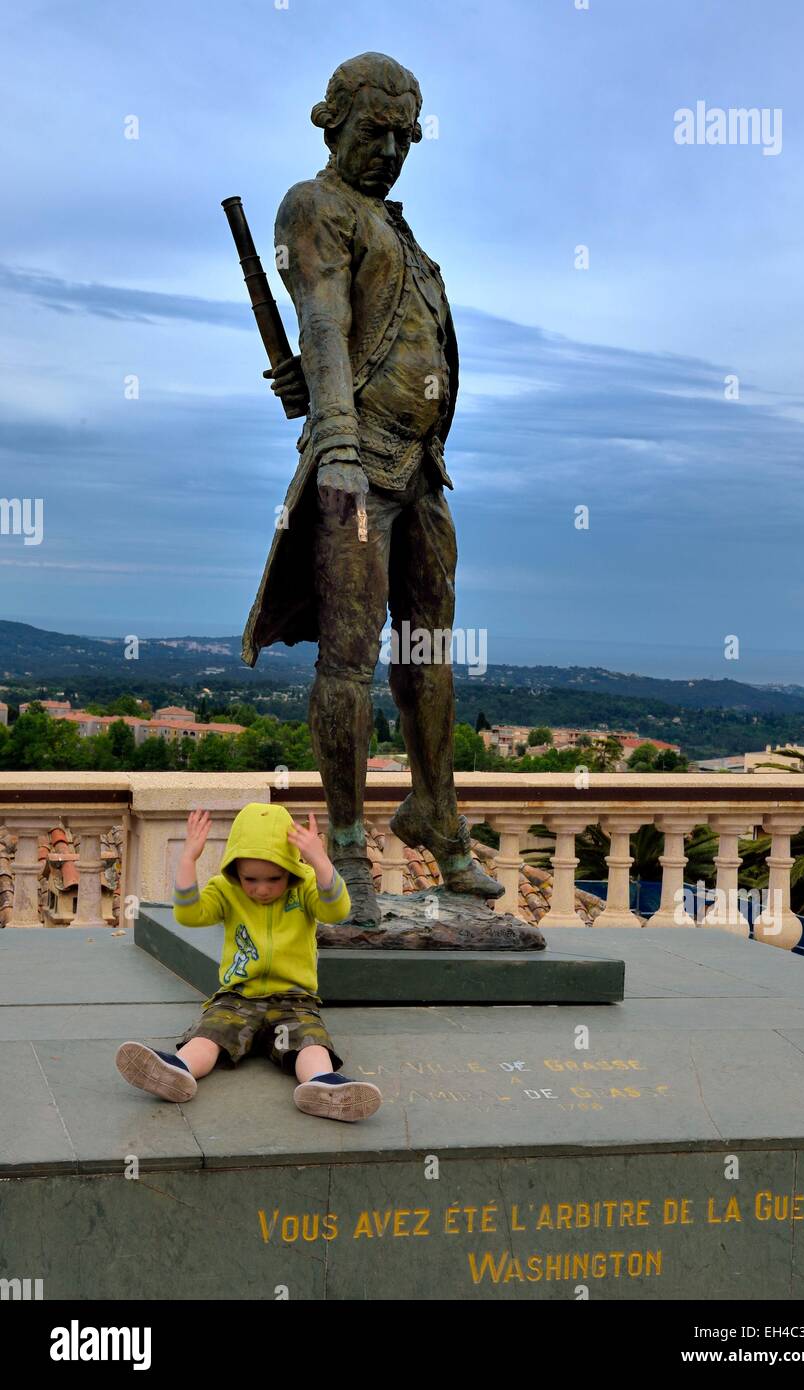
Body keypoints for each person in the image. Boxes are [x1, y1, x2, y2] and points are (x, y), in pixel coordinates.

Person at [240, 51, 504, 925]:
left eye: (402, 138)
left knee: (429, 648)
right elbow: (323, 317)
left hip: (421, 469)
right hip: (359, 466)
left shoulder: (394, 225)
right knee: (349, 656)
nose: (389, 151)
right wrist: (338, 435)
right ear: (333, 124)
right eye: (373, 133)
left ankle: (436, 810)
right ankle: (347, 845)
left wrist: (323, 385)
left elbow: (355, 336)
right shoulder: (314, 206)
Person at [115, 804, 382, 1123]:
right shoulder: (227, 890)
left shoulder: (306, 886)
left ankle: (321, 1084)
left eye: (274, 878)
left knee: (309, 1041)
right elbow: (188, 914)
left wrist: (320, 860)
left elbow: (337, 910)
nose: (262, 889)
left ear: (291, 869)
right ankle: (178, 1070)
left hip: (294, 1001)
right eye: (250, 879)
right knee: (211, 1034)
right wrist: (188, 859)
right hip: (237, 997)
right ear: (235, 870)